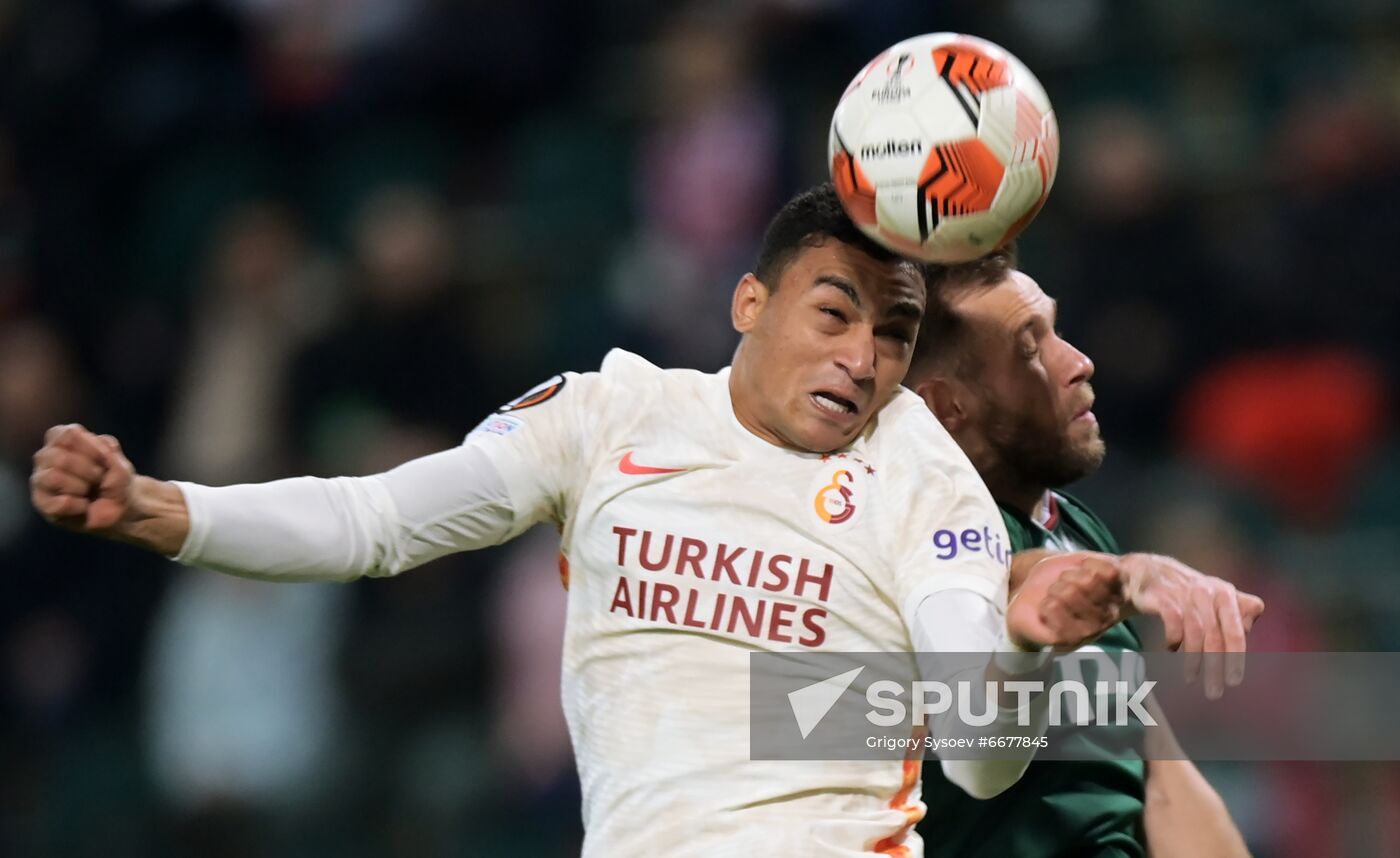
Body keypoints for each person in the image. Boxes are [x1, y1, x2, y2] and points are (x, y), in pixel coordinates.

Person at [29, 185, 1240, 857]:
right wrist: (158, 508)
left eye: (891, 334)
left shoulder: (919, 476)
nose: (861, 358)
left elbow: (978, 763)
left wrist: (1022, 642)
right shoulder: (608, 413)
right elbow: (372, 521)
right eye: (833, 313)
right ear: (746, 300)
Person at [904, 246, 1260, 857]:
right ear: (947, 406)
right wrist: (1131, 575)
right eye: (1029, 349)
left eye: (1057, 330)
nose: (1078, 362)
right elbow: (1012, 582)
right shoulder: (911, 535)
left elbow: (1163, 781)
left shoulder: (1072, 524)